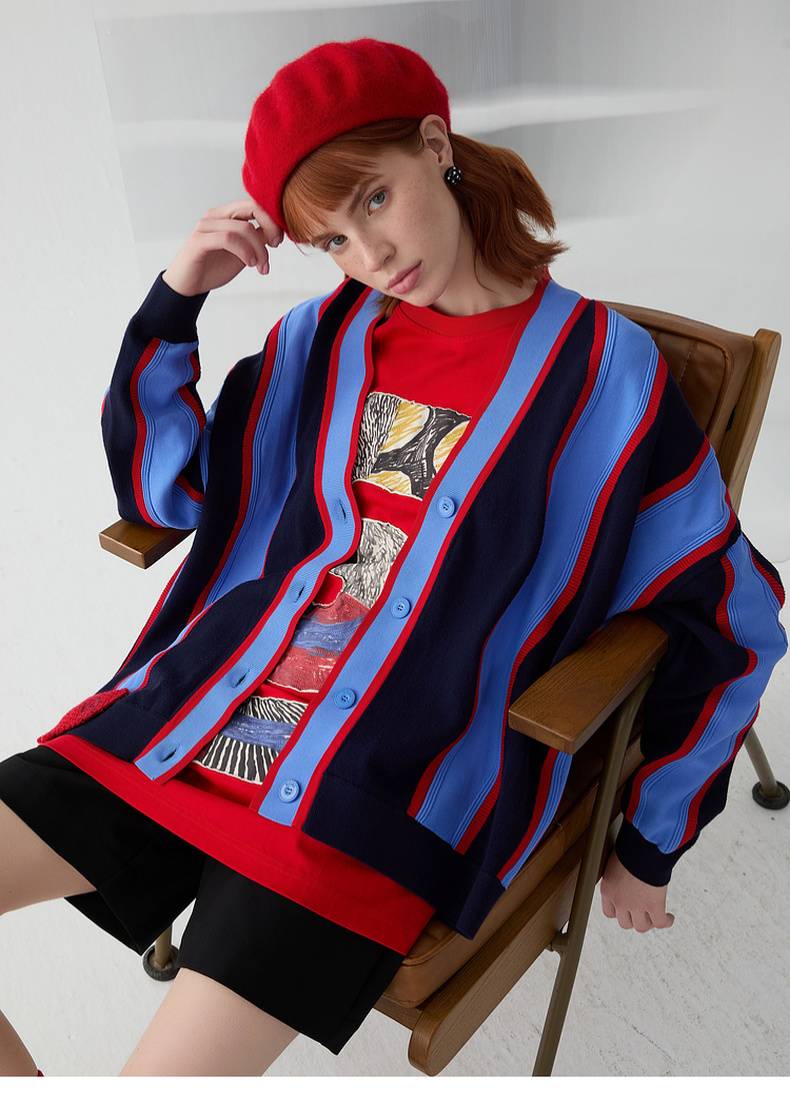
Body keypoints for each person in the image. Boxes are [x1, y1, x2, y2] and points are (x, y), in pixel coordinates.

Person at [0, 38, 786, 1077]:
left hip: (372, 798)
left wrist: (651, 838)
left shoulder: (604, 374)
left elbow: (732, 616)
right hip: (182, 724)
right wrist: (175, 297)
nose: (370, 254)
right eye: (331, 237)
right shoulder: (317, 342)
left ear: (435, 145)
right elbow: (165, 493)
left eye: (374, 198)